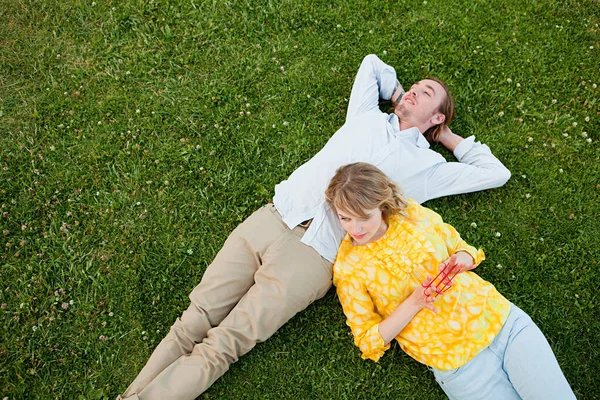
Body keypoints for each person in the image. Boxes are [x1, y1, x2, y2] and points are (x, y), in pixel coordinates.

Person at [119, 54, 511, 399]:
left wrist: (445, 137)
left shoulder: (429, 169)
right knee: (194, 318)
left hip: (313, 256)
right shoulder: (365, 116)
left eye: (426, 94)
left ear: (437, 115)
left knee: (224, 344)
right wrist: (395, 95)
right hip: (273, 217)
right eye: (414, 87)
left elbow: (494, 172)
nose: (413, 92)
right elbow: (372, 64)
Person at [326, 162, 575, 400]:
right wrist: (414, 302)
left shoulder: (410, 214)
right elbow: (369, 339)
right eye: (345, 218)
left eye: (363, 217)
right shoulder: (349, 268)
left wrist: (463, 259)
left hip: (503, 324)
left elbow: (460, 246)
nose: (355, 228)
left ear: (381, 205)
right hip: (460, 366)